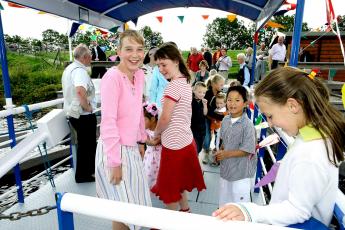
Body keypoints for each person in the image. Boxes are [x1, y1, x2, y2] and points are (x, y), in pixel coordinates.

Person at [213, 67, 345, 229]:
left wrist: (250, 211)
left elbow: (298, 210)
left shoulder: (310, 152)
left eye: (270, 116)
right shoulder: (313, 139)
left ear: (292, 106)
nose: (270, 123)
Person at [95, 30, 151, 230]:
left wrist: (141, 140)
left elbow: (137, 111)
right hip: (114, 150)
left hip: (131, 148)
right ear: (118, 51)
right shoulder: (112, 78)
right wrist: (114, 162)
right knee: (124, 210)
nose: (135, 55)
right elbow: (108, 122)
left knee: (130, 208)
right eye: (129, 49)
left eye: (139, 49)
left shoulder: (140, 75)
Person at [151, 43, 206, 212]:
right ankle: (185, 213)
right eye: (158, 65)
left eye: (163, 64)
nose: (161, 69)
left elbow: (166, 118)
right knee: (179, 184)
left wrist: (155, 134)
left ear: (175, 61)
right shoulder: (184, 81)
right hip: (185, 141)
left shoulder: (173, 86)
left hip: (174, 145)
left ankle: (171, 223)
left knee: (169, 190)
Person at [214, 85, 256, 206]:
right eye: (229, 100)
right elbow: (224, 141)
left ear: (245, 103)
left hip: (240, 174)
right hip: (226, 170)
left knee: (239, 206)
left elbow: (248, 149)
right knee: (224, 203)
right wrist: (219, 152)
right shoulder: (226, 120)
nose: (232, 103)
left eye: (237, 100)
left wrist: (225, 154)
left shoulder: (247, 125)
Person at [61, 43, 96, 183]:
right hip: (83, 114)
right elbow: (80, 91)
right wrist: (88, 107)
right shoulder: (79, 71)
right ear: (85, 57)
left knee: (83, 145)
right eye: (90, 57)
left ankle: (84, 173)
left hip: (74, 112)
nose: (91, 59)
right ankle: (84, 175)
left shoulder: (69, 68)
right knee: (87, 145)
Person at [203, 74, 225, 164]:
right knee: (207, 135)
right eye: (221, 85)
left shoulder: (221, 94)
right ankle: (206, 152)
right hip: (208, 118)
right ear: (213, 84)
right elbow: (208, 111)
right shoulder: (207, 93)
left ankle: (216, 152)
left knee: (217, 136)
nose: (222, 87)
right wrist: (220, 117)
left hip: (217, 120)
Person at [142, 102, 162, 189]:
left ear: (153, 119)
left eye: (144, 120)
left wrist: (144, 140)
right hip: (149, 156)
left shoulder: (160, 130)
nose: (142, 123)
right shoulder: (146, 130)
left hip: (160, 156)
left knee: (159, 175)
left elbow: (154, 143)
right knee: (148, 174)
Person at [191, 81, 208, 154]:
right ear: (194, 90)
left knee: (200, 145)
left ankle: (196, 155)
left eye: (204, 93)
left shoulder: (203, 101)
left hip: (202, 128)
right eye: (200, 92)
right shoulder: (190, 101)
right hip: (193, 128)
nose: (202, 94)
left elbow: (205, 113)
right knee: (195, 147)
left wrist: (205, 105)